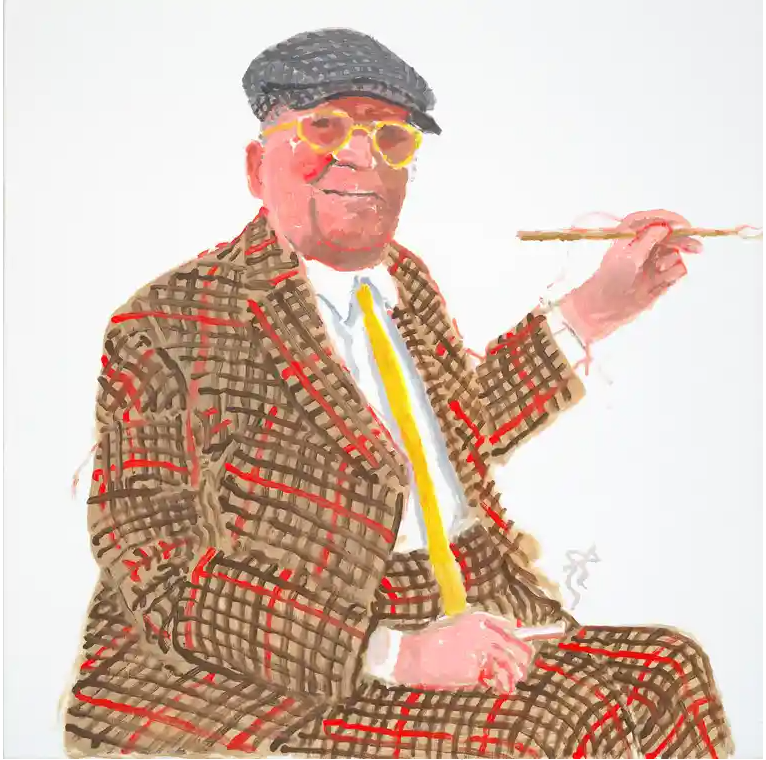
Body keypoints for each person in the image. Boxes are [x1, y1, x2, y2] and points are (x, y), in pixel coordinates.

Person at [64, 28, 732, 759]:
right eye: (325, 127)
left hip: (446, 606)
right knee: (552, 731)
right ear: (258, 167)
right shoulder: (169, 323)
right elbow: (159, 575)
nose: (362, 157)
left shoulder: (403, 282)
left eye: (391, 137)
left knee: (669, 672)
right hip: (260, 685)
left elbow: (453, 438)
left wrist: (595, 309)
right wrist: (397, 653)